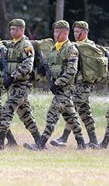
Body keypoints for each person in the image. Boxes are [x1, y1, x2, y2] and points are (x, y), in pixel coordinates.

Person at [24, 20, 86, 150]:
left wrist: (58, 83)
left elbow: (72, 70)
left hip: (65, 89)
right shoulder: (54, 48)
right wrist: (41, 72)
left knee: (52, 114)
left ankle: (41, 144)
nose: (55, 34)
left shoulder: (71, 49)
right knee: (71, 117)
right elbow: (51, 68)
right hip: (58, 89)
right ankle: (81, 143)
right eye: (55, 31)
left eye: (58, 32)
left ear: (66, 33)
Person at [0, 19, 41, 150]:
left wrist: (13, 76)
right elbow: (6, 67)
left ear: (22, 30)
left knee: (7, 110)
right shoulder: (10, 46)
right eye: (10, 29)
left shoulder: (26, 45)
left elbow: (28, 65)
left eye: (14, 29)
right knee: (26, 115)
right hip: (13, 85)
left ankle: (0, 142)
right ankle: (40, 142)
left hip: (22, 84)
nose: (11, 32)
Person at [51, 20, 98, 148]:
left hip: (86, 84)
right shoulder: (74, 45)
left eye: (78, 31)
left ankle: (64, 138)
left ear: (85, 32)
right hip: (77, 83)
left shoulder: (90, 46)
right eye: (75, 31)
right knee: (84, 112)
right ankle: (94, 140)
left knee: (72, 108)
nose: (76, 34)